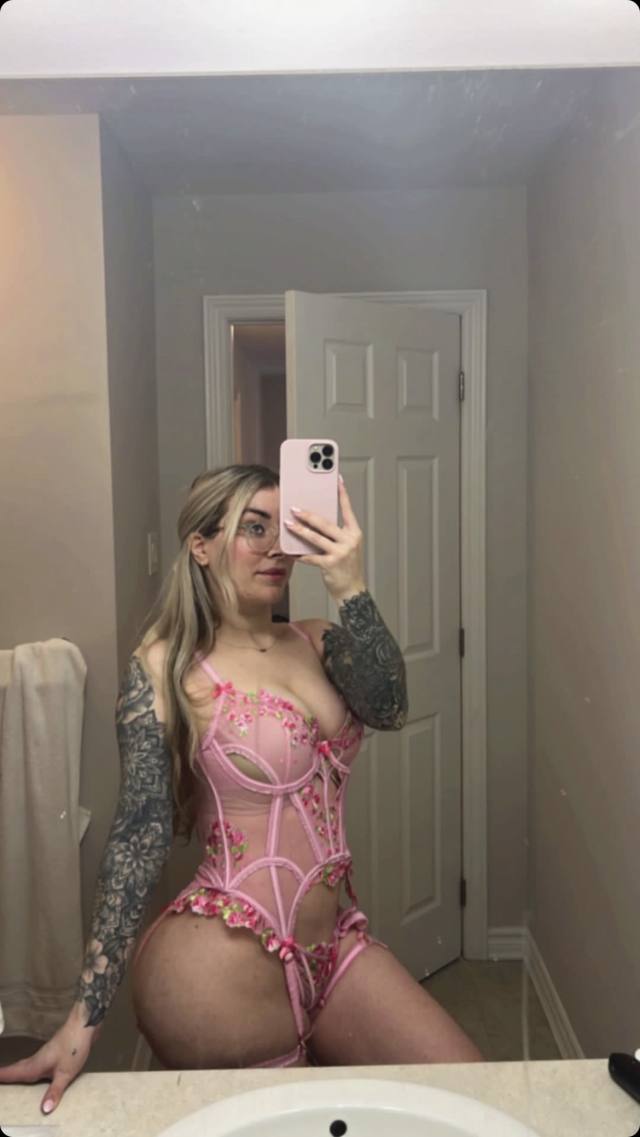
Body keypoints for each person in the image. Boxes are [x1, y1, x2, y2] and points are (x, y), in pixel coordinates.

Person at [0, 464, 481, 1113]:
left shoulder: (317, 640)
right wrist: (82, 1018)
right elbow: (137, 841)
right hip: (223, 968)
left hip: (335, 947)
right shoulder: (164, 667)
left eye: (285, 528)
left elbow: (390, 705)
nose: (277, 546)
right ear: (201, 545)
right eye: (255, 527)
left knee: (468, 1093)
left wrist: (350, 584)